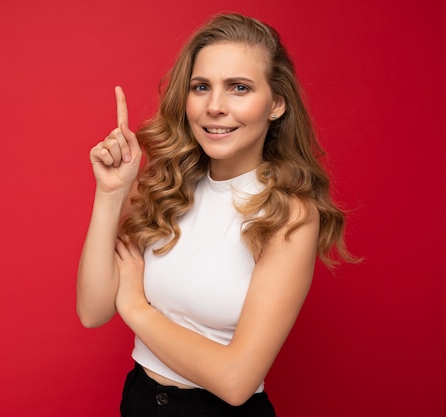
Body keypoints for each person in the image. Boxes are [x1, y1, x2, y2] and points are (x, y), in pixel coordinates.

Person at [77, 12, 356, 417]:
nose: (215, 107)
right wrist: (110, 193)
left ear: (276, 104)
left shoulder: (289, 213)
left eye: (239, 88)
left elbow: (236, 381)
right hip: (139, 400)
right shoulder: (165, 185)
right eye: (201, 87)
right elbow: (93, 310)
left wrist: (137, 307)